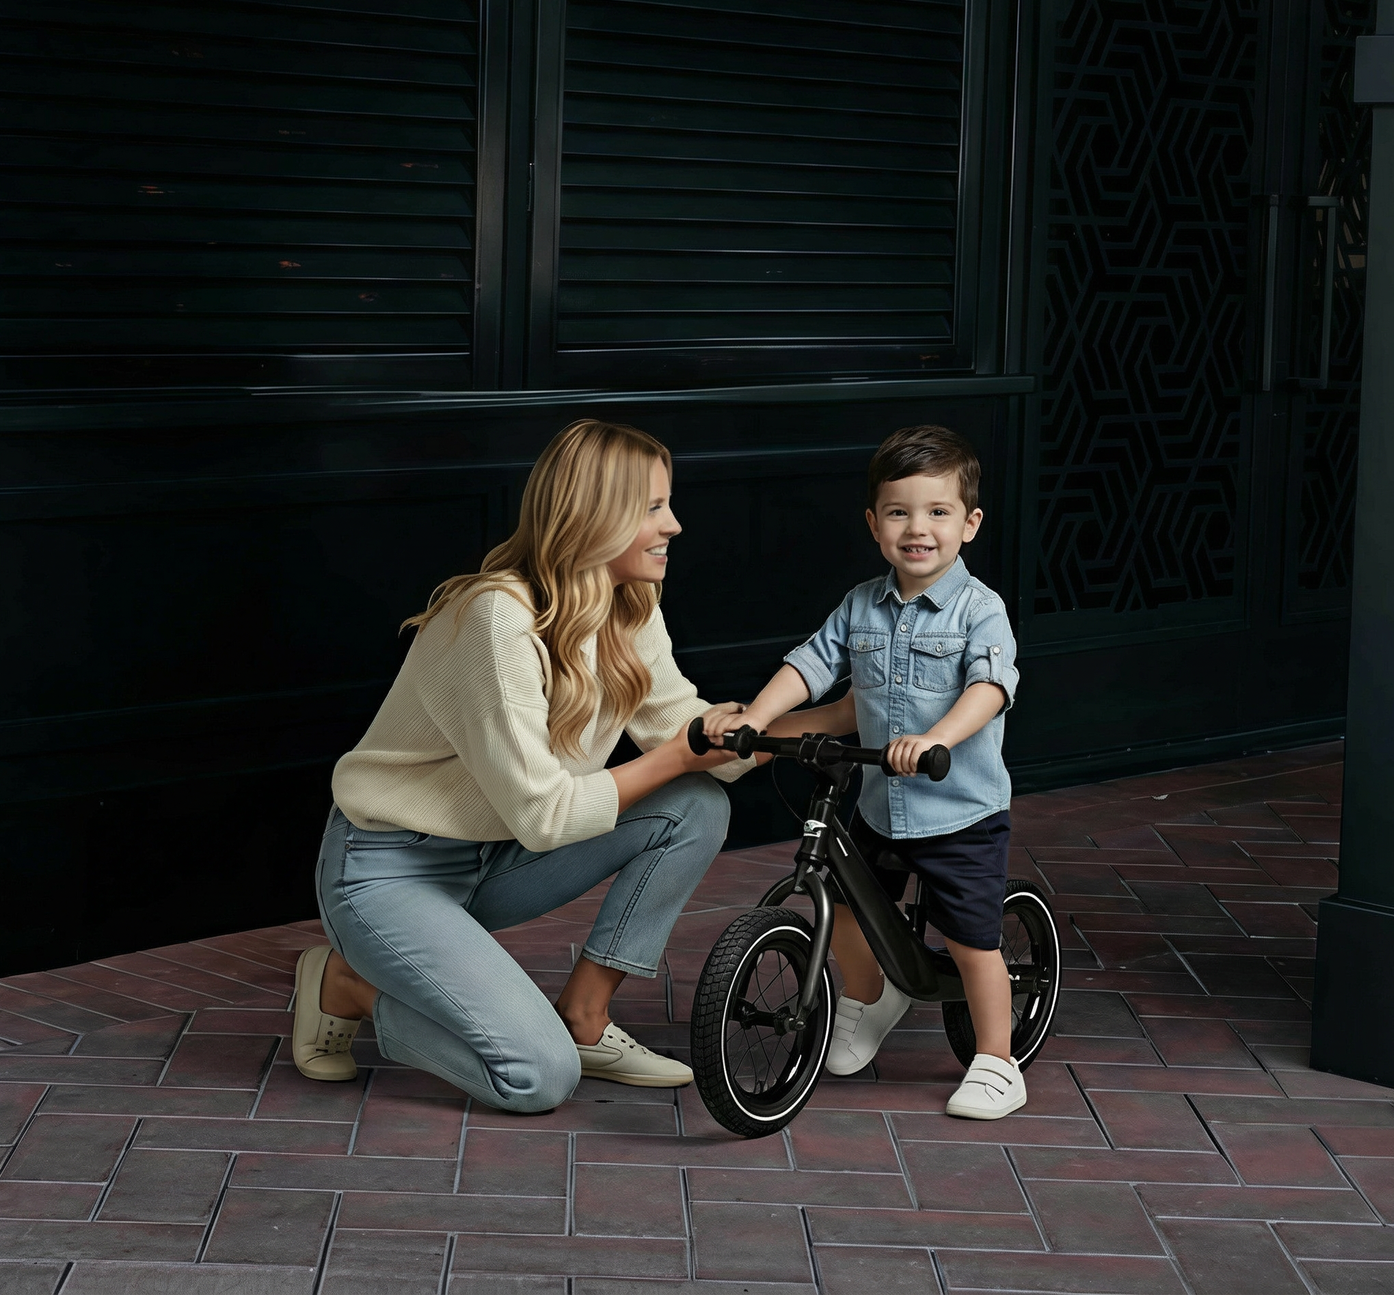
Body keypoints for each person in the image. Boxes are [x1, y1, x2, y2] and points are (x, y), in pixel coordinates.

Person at [293, 419, 753, 1113]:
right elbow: (546, 815)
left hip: (494, 859)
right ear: (595, 515)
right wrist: (679, 753)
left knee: (696, 803)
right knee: (538, 1078)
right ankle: (349, 984)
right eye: (654, 507)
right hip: (390, 869)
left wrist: (827, 715)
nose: (676, 525)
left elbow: (693, 738)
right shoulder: (497, 619)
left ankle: (585, 1017)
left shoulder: (629, 604)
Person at [703, 424, 1024, 1119]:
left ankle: (997, 1058)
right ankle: (874, 996)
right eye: (900, 512)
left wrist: (935, 736)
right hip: (879, 804)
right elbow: (812, 664)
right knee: (845, 905)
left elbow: (990, 688)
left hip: (959, 813)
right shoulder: (860, 605)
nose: (919, 529)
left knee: (973, 941)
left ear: (969, 524)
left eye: (938, 512)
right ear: (874, 524)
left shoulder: (981, 610)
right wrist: (756, 717)